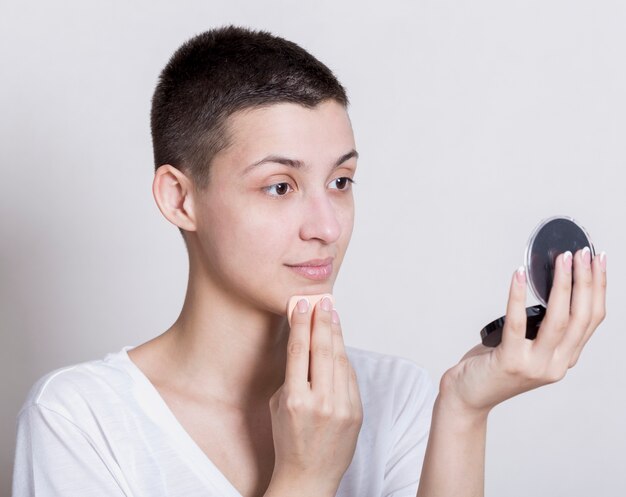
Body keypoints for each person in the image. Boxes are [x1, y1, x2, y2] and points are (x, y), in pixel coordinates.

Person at [12, 25, 607, 497]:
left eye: (342, 181)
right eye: (280, 187)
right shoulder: (83, 422)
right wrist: (306, 477)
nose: (327, 227)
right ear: (179, 197)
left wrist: (463, 410)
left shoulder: (397, 396)